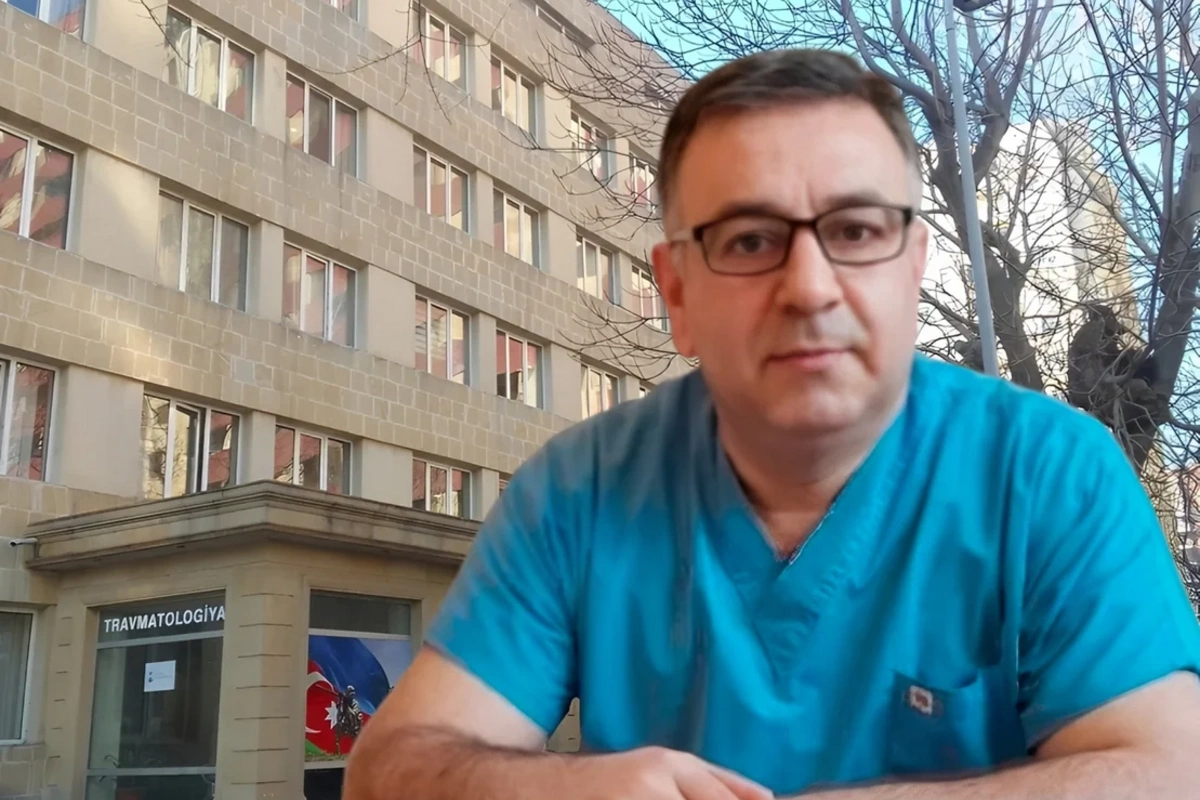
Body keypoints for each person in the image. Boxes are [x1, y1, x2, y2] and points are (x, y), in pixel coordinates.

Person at [343, 48, 1200, 799]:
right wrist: (552, 791)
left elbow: (1172, 770)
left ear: (913, 268)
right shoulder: (576, 493)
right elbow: (387, 770)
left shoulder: (1051, 475)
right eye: (750, 241)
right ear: (677, 294)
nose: (810, 288)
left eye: (856, 230)